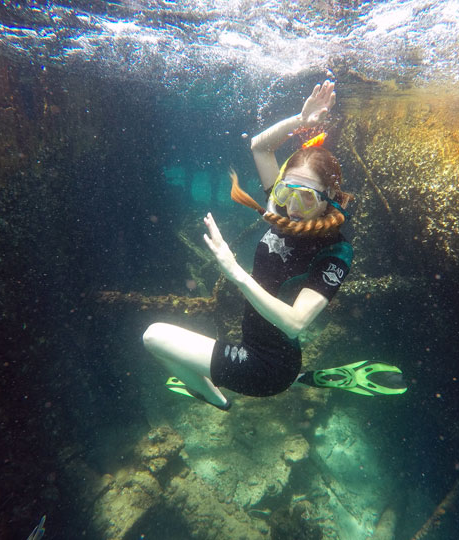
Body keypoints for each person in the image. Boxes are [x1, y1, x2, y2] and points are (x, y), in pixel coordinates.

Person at [143, 81, 406, 411]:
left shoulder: (337, 250)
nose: (292, 206)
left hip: (265, 367)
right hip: (257, 345)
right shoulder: (285, 209)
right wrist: (301, 119)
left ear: (328, 199)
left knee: (153, 336)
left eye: (307, 196)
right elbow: (260, 147)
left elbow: (295, 323)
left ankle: (215, 397)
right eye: (285, 192)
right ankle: (291, 379)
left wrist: (234, 271)